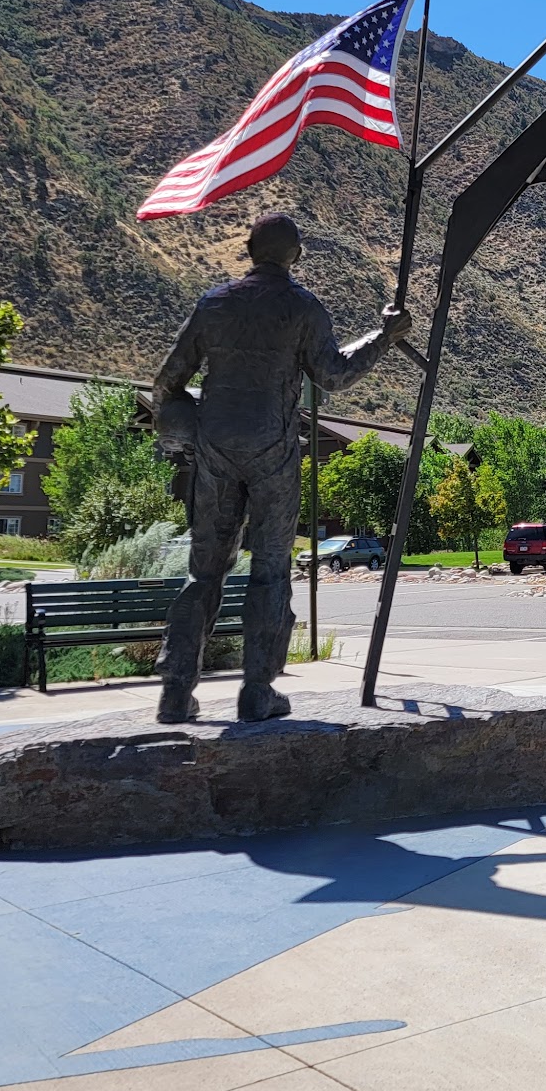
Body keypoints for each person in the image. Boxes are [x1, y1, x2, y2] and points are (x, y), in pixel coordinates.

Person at [151, 213, 410, 723]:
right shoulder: (302, 307)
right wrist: (384, 336)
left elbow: (166, 386)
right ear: (295, 254)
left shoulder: (214, 304)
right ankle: (256, 690)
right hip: (272, 448)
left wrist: (190, 434)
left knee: (203, 572)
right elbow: (334, 376)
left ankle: (175, 692)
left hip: (216, 448)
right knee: (270, 569)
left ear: (249, 249)